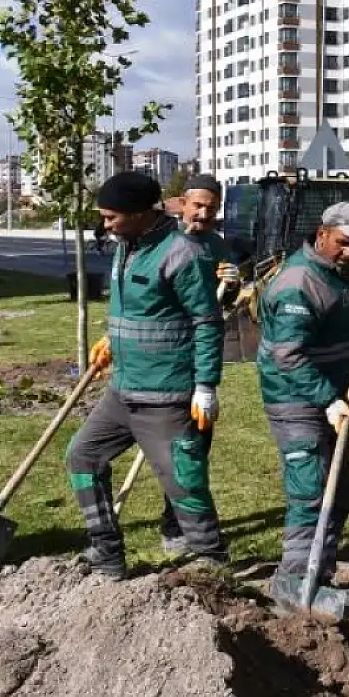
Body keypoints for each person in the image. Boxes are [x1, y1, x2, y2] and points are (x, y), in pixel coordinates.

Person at [66, 171, 229, 579]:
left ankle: (212, 564)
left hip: (166, 395)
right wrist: (112, 340)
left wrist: (205, 386)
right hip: (123, 390)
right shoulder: (128, 246)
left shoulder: (182, 254)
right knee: (82, 457)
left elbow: (207, 323)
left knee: (184, 483)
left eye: (111, 217)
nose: (105, 224)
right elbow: (143, 311)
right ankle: (107, 556)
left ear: (140, 213)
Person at [256, 202, 349, 615]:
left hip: (330, 396)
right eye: (343, 244)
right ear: (322, 233)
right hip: (297, 399)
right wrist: (328, 399)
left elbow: (339, 304)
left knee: (337, 488)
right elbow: (288, 356)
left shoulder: (337, 269)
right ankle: (293, 583)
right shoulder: (298, 283)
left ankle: (320, 573)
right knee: (310, 489)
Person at [151, 173, 243, 555]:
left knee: (196, 445)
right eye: (198, 205)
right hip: (164, 360)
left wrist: (234, 283)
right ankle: (175, 529)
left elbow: (224, 302)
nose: (203, 213)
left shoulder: (217, 246)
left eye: (211, 207)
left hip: (201, 359)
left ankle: (176, 524)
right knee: (175, 448)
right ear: (182, 204)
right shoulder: (165, 244)